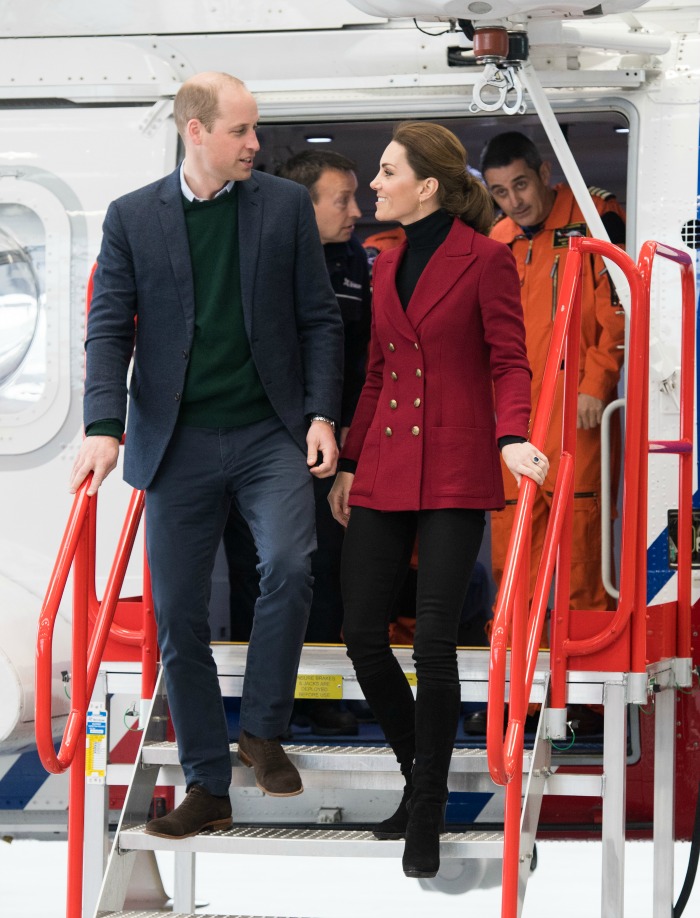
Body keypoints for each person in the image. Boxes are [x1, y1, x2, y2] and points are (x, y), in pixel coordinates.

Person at [69, 72, 344, 839]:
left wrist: (323, 414)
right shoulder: (132, 218)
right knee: (179, 615)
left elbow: (320, 321)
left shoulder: (284, 209)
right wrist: (102, 425)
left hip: (268, 432)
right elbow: (107, 331)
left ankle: (261, 729)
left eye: (255, 131)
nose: (256, 144)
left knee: (290, 564)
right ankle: (207, 782)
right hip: (177, 440)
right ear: (196, 132)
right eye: (241, 132)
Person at [328, 121, 548, 879]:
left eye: (386, 172)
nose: (375, 184)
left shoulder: (486, 262)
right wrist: (351, 461)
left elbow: (510, 362)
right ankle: (419, 776)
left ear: (426, 185)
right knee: (360, 633)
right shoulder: (383, 267)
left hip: (456, 467)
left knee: (432, 642)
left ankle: (425, 810)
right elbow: (381, 374)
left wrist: (511, 436)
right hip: (387, 464)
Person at [466, 131, 626, 737]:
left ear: (544, 173)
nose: (514, 202)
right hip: (515, 423)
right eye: (501, 193)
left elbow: (617, 311)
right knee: (514, 562)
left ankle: (582, 698)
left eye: (522, 186)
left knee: (582, 558)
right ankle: (519, 698)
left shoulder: (593, 221)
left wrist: (597, 381)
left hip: (575, 418)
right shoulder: (498, 244)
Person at [224, 149, 372, 735]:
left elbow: (361, 365)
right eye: (342, 199)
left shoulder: (357, 264)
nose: (356, 211)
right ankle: (259, 706)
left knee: (327, 570)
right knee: (260, 571)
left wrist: (350, 452)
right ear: (298, 206)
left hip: (331, 445)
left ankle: (320, 696)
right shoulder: (259, 261)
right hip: (264, 445)